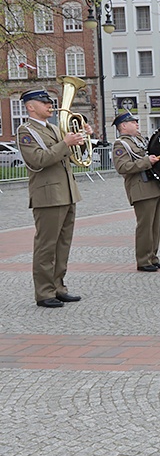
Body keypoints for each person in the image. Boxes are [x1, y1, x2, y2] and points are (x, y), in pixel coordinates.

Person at [16, 88, 91, 308]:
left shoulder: (56, 129)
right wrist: (66, 143)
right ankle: (44, 292)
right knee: (46, 246)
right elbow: (38, 160)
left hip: (67, 192)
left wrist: (83, 137)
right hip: (48, 195)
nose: (50, 106)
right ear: (31, 106)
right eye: (44, 103)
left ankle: (58, 286)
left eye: (50, 102)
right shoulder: (26, 131)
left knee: (63, 244)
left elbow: (76, 155)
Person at [111, 112, 160, 272]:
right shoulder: (121, 144)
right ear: (123, 126)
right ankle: (143, 260)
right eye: (132, 121)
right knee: (145, 226)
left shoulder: (140, 140)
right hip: (140, 187)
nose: (136, 123)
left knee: (155, 226)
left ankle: (152, 257)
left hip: (153, 185)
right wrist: (146, 161)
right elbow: (122, 167)